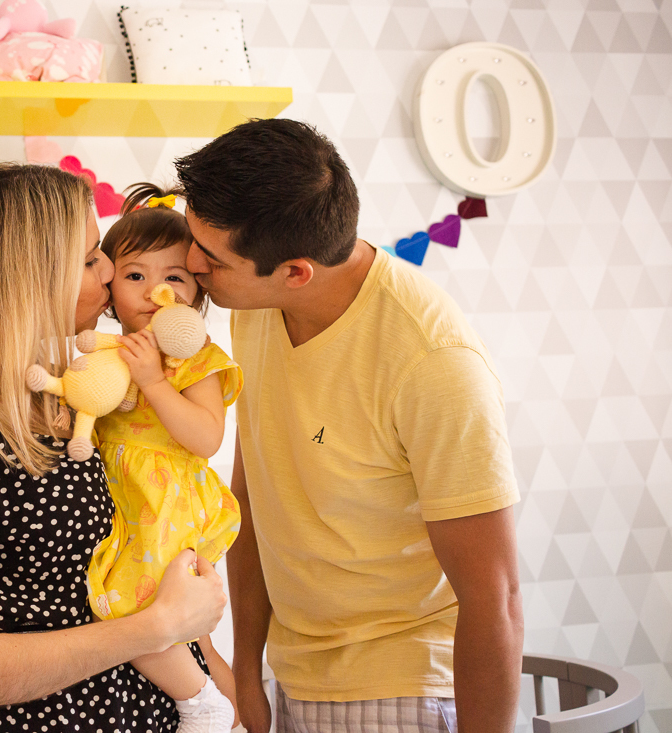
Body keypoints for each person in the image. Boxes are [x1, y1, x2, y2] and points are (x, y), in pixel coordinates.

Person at [176, 119, 524, 733]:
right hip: (296, 677)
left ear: (296, 271)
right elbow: (255, 501)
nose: (191, 263)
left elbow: (494, 598)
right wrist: (247, 671)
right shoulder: (257, 308)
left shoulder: (432, 362)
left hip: (405, 686)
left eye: (213, 258)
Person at [0, 163, 228, 733]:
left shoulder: (75, 388)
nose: (110, 270)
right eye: (90, 259)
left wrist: (224, 695)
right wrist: (156, 629)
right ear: (29, 277)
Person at [85, 183, 244, 733]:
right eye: (136, 275)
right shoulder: (100, 351)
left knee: (135, 605)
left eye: (173, 276)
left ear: (197, 292)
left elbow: (204, 438)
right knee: (184, 631)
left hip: (165, 502)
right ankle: (232, 711)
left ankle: (201, 701)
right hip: (120, 499)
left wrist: (154, 380)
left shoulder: (196, 358)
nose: (155, 291)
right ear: (109, 291)